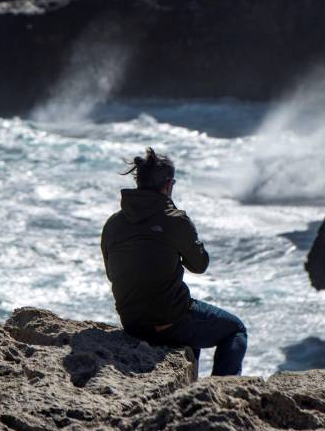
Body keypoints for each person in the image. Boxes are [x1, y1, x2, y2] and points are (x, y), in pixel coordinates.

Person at [100, 147, 247, 376]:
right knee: (236, 330)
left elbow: (112, 273)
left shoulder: (113, 223)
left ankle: (190, 387)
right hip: (169, 320)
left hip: (132, 321)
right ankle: (220, 394)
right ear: (168, 185)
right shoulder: (174, 220)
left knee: (191, 340)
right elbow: (200, 265)